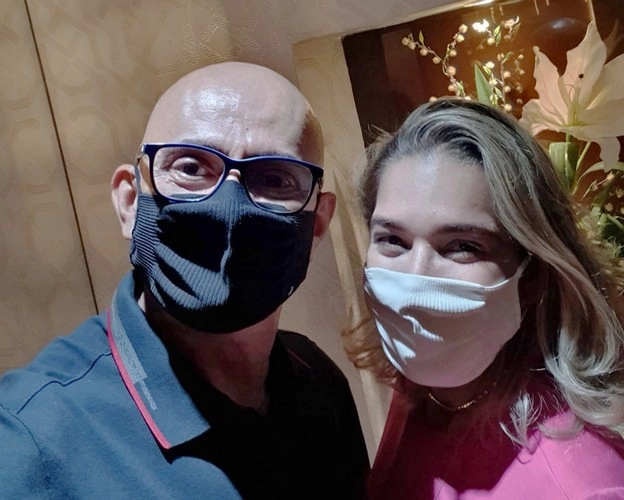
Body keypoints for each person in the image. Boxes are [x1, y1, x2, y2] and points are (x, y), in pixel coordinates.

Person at [0, 61, 369, 499]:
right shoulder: (29, 441)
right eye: (191, 168)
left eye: (274, 178)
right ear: (130, 201)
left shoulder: (319, 381)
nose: (229, 205)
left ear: (318, 222)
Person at [345, 98, 624, 498]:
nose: (415, 277)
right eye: (392, 239)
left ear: (532, 274)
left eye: (463, 245)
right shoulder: (426, 387)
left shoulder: (583, 487)